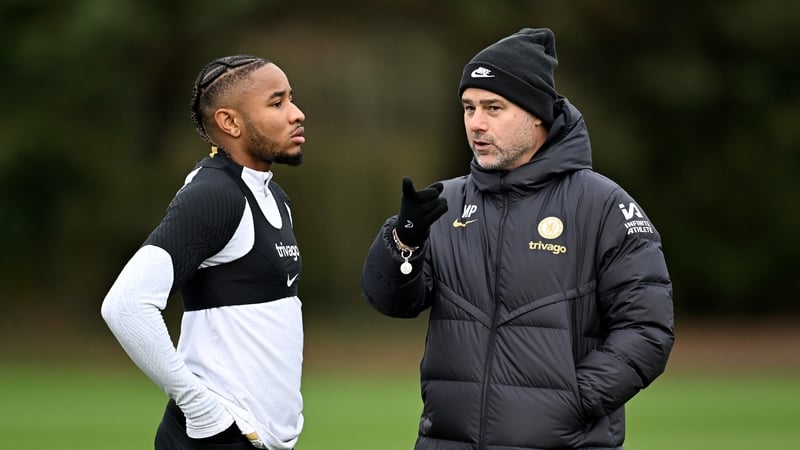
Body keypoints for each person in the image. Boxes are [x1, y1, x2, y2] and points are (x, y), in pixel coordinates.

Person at [361, 28, 674, 449]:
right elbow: (392, 302)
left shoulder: (602, 205)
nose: (477, 123)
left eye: (494, 107)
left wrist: (574, 400)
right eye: (469, 108)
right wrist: (405, 241)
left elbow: (647, 329)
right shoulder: (444, 203)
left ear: (536, 115)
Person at [102, 55, 307, 450]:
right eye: (277, 103)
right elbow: (125, 305)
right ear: (229, 123)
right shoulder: (213, 195)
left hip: (255, 437)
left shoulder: (273, 196)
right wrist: (201, 409)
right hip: (214, 437)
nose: (296, 114)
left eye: (291, 99)